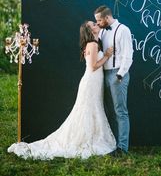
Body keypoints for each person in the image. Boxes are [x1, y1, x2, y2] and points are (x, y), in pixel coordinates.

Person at [7, 20, 116, 160]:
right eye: (93, 24)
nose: (96, 24)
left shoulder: (95, 43)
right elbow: (94, 66)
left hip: (95, 82)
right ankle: (84, 139)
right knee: (88, 110)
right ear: (90, 31)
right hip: (91, 82)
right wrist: (107, 55)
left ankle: (91, 136)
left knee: (92, 109)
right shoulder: (93, 44)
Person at [94, 5, 133, 156]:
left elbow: (128, 55)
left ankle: (122, 148)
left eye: (99, 20)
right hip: (102, 74)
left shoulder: (123, 30)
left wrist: (120, 75)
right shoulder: (102, 31)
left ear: (107, 18)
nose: (97, 23)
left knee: (120, 112)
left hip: (118, 74)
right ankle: (110, 144)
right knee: (106, 111)